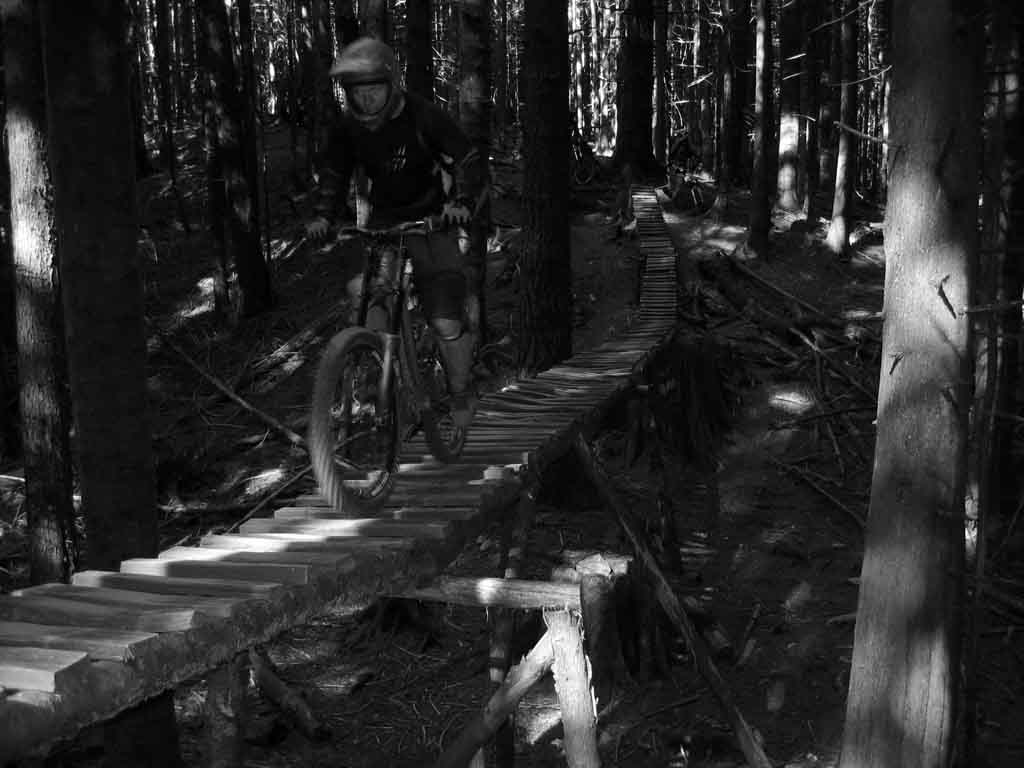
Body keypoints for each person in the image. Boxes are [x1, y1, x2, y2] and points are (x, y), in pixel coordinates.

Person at [306, 37, 484, 428]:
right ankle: (384, 376)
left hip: (432, 219)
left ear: (392, 84)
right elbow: (334, 174)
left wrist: (460, 203)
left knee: (445, 319)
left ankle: (460, 391)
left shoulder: (424, 116)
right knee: (366, 299)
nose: (366, 99)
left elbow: (467, 160)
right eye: (357, 92)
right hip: (385, 222)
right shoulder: (349, 128)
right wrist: (322, 216)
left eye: (373, 89)